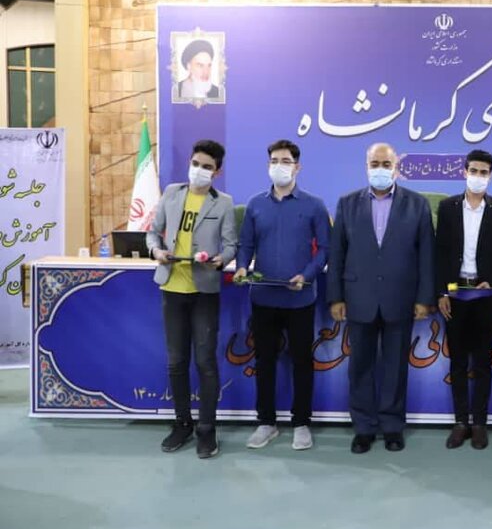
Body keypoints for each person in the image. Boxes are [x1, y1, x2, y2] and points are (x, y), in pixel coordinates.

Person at [327, 142, 434, 454]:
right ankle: (363, 427)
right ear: (366, 166)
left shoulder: (417, 205)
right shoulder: (347, 204)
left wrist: (424, 298)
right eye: (375, 164)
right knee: (360, 366)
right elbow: (337, 254)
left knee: (395, 367)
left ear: (396, 168)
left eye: (386, 164)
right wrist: (335, 297)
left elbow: (426, 255)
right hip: (358, 297)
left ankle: (391, 426)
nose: (380, 170)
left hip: (401, 298)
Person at [235, 140, 329, 452]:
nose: (280, 166)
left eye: (286, 161)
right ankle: (266, 422)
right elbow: (246, 245)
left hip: (300, 299)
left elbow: (325, 249)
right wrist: (241, 266)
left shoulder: (314, 205)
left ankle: (301, 423)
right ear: (268, 165)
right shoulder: (254, 204)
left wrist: (307, 275)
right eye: (274, 160)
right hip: (263, 297)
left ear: (297, 167)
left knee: (302, 360)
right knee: (264, 361)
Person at [146, 140, 236, 459]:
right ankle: (182, 423)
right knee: (176, 361)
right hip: (172, 288)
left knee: (205, 362)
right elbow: (152, 232)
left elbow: (231, 246)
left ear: (217, 172)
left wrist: (220, 260)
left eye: (207, 167)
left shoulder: (223, 203)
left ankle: (207, 429)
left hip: (204, 291)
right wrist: (156, 251)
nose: (199, 170)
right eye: (196, 163)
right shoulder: (172, 193)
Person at [434, 149, 492, 450]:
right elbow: (440, 252)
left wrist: (490, 280)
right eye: (474, 171)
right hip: (455, 291)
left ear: (490, 175)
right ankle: (460, 422)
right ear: (464, 172)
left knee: (482, 361)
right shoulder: (448, 208)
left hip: (484, 293)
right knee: (457, 361)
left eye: (484, 172)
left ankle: (479, 423)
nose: (478, 176)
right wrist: (442, 292)